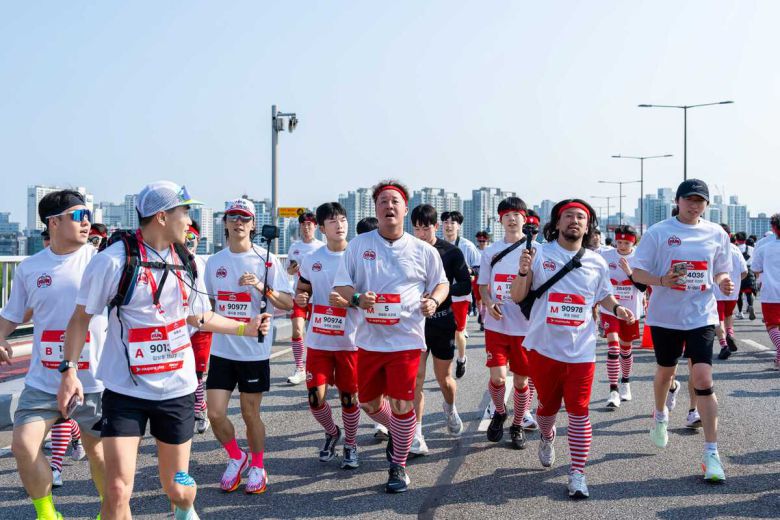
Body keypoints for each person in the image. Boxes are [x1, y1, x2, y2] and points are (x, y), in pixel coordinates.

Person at [57, 182, 272, 519]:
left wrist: (245, 328)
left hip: (176, 391)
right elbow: (80, 318)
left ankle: (185, 509)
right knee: (116, 490)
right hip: (125, 390)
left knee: (179, 489)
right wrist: (69, 371)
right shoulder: (113, 262)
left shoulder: (188, 261)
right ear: (161, 216)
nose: (189, 219)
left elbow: (200, 315)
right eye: (184, 211)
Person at [511, 198, 634, 499]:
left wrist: (617, 309)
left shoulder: (596, 261)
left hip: (581, 351)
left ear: (588, 225)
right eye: (568, 216)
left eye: (580, 217)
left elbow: (604, 295)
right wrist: (524, 271)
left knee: (579, 412)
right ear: (556, 223)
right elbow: (517, 296)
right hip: (543, 348)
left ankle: (578, 473)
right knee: (546, 411)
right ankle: (546, 435)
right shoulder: (538, 253)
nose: (574, 221)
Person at [333, 180, 448, 493]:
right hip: (369, 340)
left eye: (394, 201)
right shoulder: (359, 245)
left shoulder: (423, 250)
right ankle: (401, 434)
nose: (389, 206)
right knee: (369, 404)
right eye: (383, 201)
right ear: (376, 209)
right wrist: (358, 300)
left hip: (407, 340)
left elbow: (442, 284)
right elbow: (341, 287)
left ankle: (398, 464)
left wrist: (433, 301)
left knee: (401, 402)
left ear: (405, 209)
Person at [1, 190, 106, 519]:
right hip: (44, 381)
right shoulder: (31, 267)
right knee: (23, 446)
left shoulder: (102, 261)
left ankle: (112, 509)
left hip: (95, 381)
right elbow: (13, 312)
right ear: (54, 222)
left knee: (100, 455)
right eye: (78, 216)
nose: (86, 221)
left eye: (87, 215)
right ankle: (47, 514)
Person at [630, 179, 733, 483]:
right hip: (665, 317)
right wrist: (662, 281)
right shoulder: (659, 232)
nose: (694, 205)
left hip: (701, 315)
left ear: (707, 205)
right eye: (689, 199)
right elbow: (637, 271)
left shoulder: (716, 233)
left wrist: (724, 280)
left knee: (702, 377)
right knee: (666, 372)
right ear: (677, 201)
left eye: (700, 201)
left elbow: (721, 268)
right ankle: (660, 414)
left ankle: (712, 453)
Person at [205, 198, 293, 494]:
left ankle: (257, 465)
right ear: (225, 222)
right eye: (233, 217)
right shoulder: (214, 262)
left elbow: (288, 302)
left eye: (245, 218)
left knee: (249, 413)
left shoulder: (266, 260)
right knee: (214, 413)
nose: (238, 222)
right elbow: (214, 307)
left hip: (254, 351)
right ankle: (236, 456)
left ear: (253, 224)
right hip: (221, 350)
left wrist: (260, 287)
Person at [295, 202, 361, 469]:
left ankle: (352, 444)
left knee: (349, 398)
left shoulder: (358, 256)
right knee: (315, 398)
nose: (340, 225)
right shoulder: (312, 260)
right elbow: (302, 291)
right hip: (319, 340)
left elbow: (371, 298)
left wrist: (350, 302)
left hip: (350, 341)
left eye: (343, 219)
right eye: (332, 221)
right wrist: (301, 297)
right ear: (322, 228)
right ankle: (332, 432)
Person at [478, 197, 539, 450]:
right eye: (507, 215)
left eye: (517, 214)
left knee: (522, 382)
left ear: (525, 219)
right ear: (500, 219)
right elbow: (483, 285)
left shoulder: (538, 250)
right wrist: (488, 302)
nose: (512, 219)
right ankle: (500, 412)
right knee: (499, 378)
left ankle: (516, 425)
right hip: (497, 326)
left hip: (525, 327)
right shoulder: (490, 251)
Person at [411, 205, 470, 456]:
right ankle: (417, 432)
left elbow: (465, 284)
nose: (421, 233)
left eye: (426, 228)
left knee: (444, 379)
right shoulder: (407, 250)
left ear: (435, 227)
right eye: (416, 228)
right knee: (416, 379)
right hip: (415, 323)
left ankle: (449, 407)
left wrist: (438, 297)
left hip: (442, 320)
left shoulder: (451, 252)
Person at [599, 225, 645, 409]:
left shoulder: (639, 258)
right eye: (619, 242)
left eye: (626, 243)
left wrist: (630, 273)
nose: (622, 246)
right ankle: (613, 390)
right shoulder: (606, 256)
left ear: (633, 242)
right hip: (610, 309)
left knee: (625, 349)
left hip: (631, 310)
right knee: (613, 347)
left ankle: (625, 382)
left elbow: (642, 288)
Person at [355, 215, 388, 440]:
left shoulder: (391, 255)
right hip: (362, 333)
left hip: (391, 332)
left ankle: (388, 426)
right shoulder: (355, 256)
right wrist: (355, 297)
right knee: (365, 397)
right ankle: (394, 425)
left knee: (388, 385)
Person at [441, 210, 481, 378]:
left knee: (459, 330)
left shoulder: (467, 246)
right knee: (444, 331)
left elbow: (478, 267)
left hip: (460, 295)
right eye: (445, 222)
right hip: (441, 294)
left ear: (458, 226)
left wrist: (467, 271)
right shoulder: (437, 244)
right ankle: (444, 365)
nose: (449, 226)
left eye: (452, 222)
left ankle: (461, 358)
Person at [286, 212, 325, 385]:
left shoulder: (322, 247)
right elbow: (288, 270)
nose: (306, 227)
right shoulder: (294, 247)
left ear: (316, 227)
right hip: (299, 294)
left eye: (309, 224)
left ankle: (316, 367)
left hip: (318, 295)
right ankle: (299, 368)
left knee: (317, 334)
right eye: (303, 225)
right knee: (297, 330)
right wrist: (292, 270)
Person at [185, 222, 213, 434]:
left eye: (192, 238)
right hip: (179, 326)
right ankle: (196, 405)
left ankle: (199, 409)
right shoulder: (168, 260)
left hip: (202, 325)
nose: (188, 242)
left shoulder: (205, 263)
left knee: (198, 372)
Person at [751, 213, 780, 370]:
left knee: (772, 326)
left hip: (771, 292)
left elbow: (755, 268)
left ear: (774, 228)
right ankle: (778, 359)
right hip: (771, 293)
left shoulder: (764, 248)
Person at [714, 225, 747, 361]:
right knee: (728, 315)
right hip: (733, 291)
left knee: (718, 319)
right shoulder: (735, 249)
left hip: (717, 291)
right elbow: (744, 272)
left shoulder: (714, 248)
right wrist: (736, 281)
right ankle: (730, 333)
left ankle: (723, 345)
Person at [473, 231, 491, 330]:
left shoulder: (490, 250)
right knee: (478, 299)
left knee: (485, 300)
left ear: (487, 240)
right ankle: (481, 314)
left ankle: (483, 321)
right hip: (476, 278)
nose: (482, 242)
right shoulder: (475, 251)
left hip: (487, 279)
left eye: (483, 241)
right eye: (480, 241)